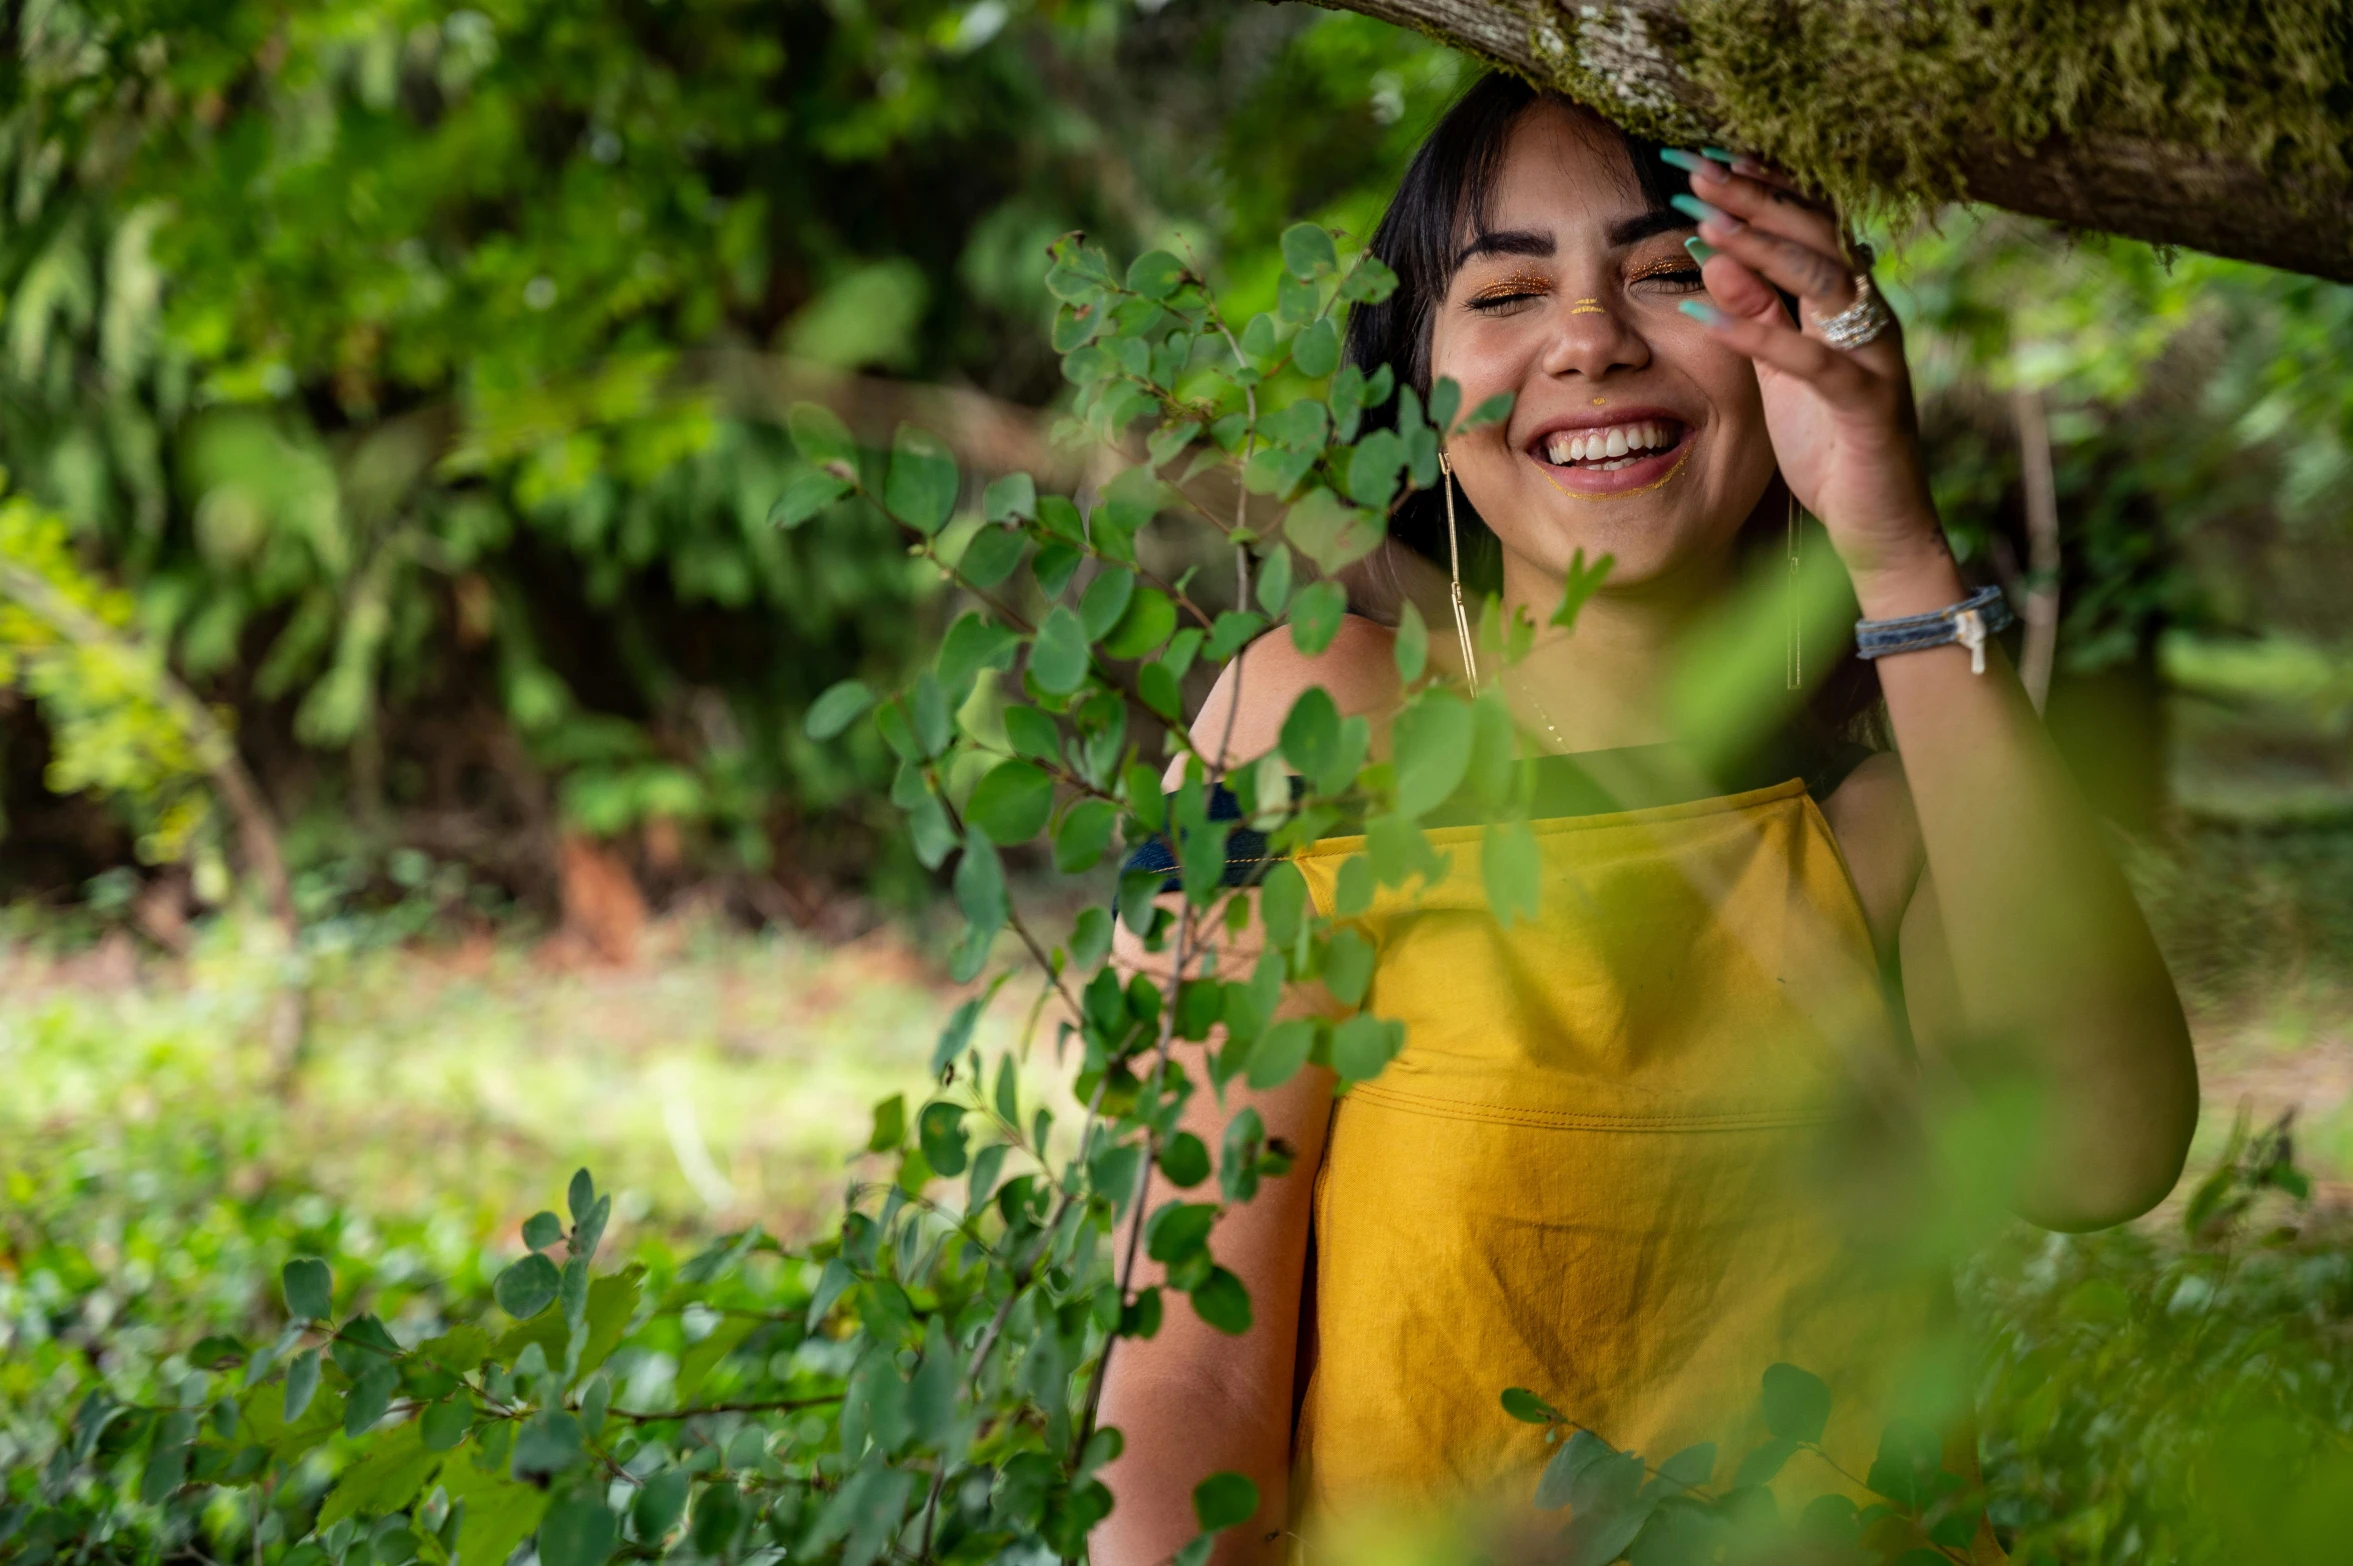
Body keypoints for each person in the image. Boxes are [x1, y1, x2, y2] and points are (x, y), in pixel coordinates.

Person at [1097, 74, 2198, 1562]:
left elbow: (2104, 1150)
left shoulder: (1885, 809)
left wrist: (1892, 536)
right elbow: (1185, 1365)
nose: (1591, 339)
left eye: (1668, 272)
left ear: (1786, 344)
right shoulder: (1304, 729)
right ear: (1412, 389)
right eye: (1505, 290)